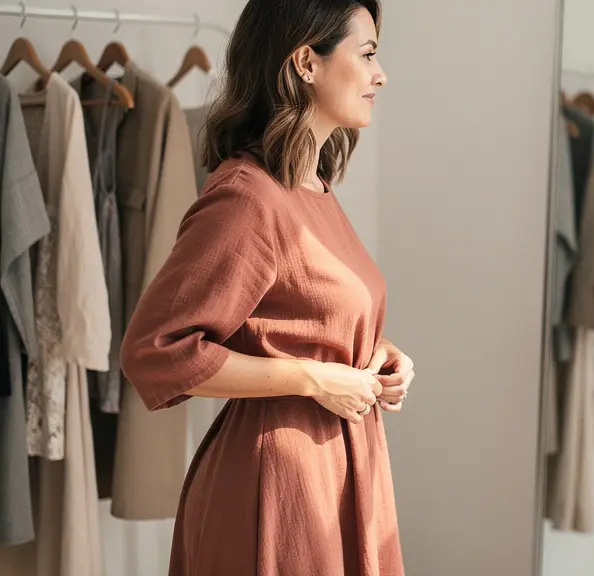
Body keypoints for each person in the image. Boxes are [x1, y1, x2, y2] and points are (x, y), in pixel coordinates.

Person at [119, 1, 412, 574]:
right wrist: (312, 377)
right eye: (369, 54)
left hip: (339, 465)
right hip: (279, 484)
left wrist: (377, 355)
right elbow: (155, 351)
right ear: (306, 61)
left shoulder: (312, 184)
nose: (381, 75)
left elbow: (300, 317)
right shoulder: (248, 197)